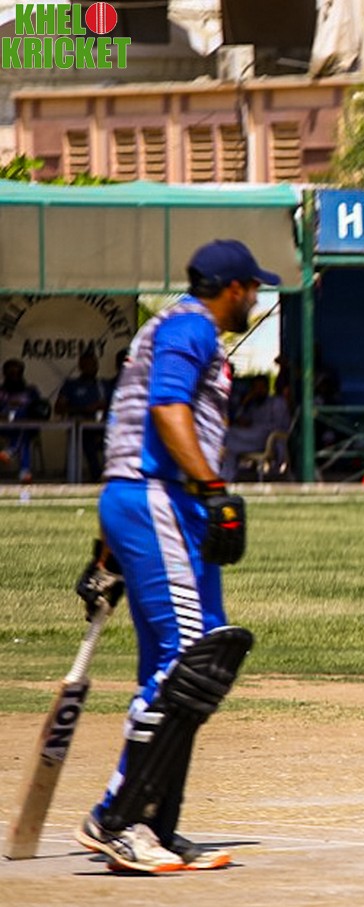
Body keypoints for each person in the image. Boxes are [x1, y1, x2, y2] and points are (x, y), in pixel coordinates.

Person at [72, 239, 279, 873]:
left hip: (153, 501)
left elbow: (129, 428)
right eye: (253, 289)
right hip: (159, 497)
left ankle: (155, 823)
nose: (256, 299)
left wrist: (106, 555)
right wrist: (213, 490)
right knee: (190, 662)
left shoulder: (175, 329)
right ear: (234, 288)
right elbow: (165, 409)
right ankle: (116, 819)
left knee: (192, 666)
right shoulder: (190, 327)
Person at [220, 373, 292, 481]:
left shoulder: (276, 402)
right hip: (249, 439)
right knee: (229, 441)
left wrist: (256, 428)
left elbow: (280, 426)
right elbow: (240, 420)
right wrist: (244, 403)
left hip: (268, 440)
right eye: (256, 388)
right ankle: (225, 477)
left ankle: (224, 476)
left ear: (267, 388)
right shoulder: (253, 405)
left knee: (229, 438)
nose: (259, 390)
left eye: (261, 387)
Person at [55, 350, 110, 482]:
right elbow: (58, 409)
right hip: (80, 427)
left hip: (103, 426)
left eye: (94, 364)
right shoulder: (71, 385)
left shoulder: (103, 385)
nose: (92, 368)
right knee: (86, 439)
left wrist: (105, 407)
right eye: (88, 365)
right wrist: (84, 409)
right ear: (81, 366)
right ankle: (96, 475)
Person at [0, 357, 45, 482]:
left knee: (23, 428)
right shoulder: (1, 392)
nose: (14, 376)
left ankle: (11, 450)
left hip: (27, 426)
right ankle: (24, 471)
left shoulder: (31, 391)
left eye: (17, 373)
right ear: (5, 374)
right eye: (11, 373)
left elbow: (39, 409)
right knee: (23, 437)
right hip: (5, 426)